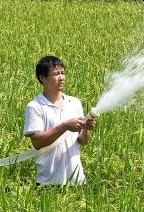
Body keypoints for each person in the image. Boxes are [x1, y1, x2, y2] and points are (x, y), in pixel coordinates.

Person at [23, 55, 96, 186]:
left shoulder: (74, 102)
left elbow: (82, 141)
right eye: (56, 74)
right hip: (49, 183)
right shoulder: (35, 107)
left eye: (63, 73)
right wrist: (65, 126)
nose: (61, 77)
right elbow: (38, 143)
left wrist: (85, 129)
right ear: (42, 78)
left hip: (77, 181)